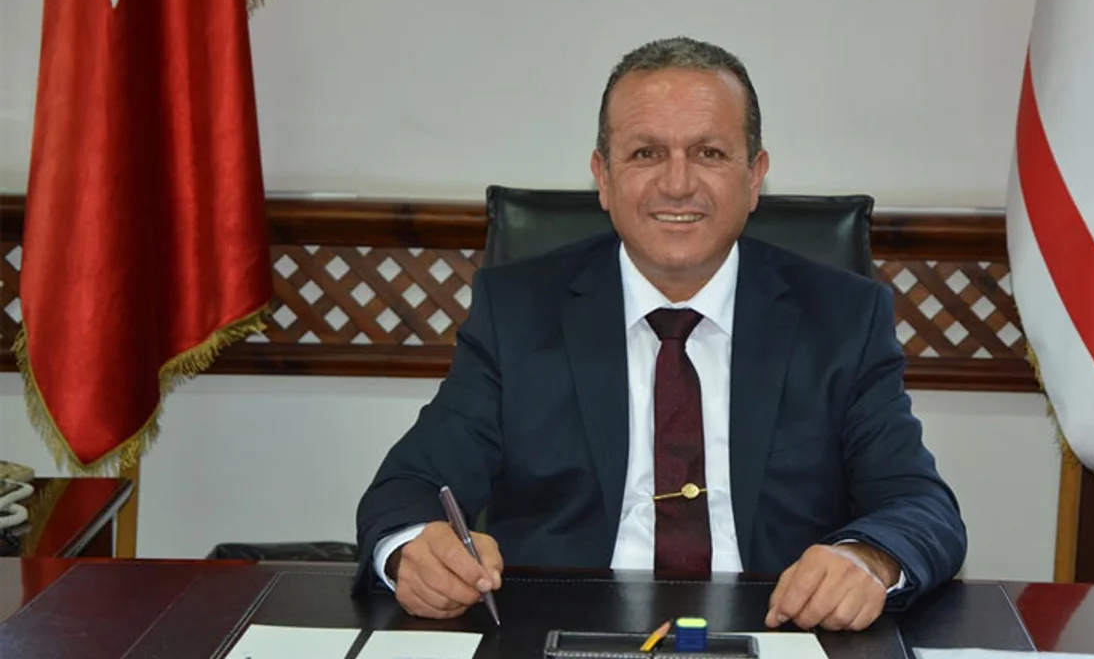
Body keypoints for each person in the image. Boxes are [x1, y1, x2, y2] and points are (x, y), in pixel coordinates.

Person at [355, 36, 966, 632]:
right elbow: (410, 485)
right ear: (602, 176)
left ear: (755, 176)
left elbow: (920, 505)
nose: (677, 184)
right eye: (646, 153)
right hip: (561, 633)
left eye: (709, 153)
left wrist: (867, 559)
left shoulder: (843, 318)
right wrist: (415, 548)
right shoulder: (518, 311)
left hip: (776, 632)